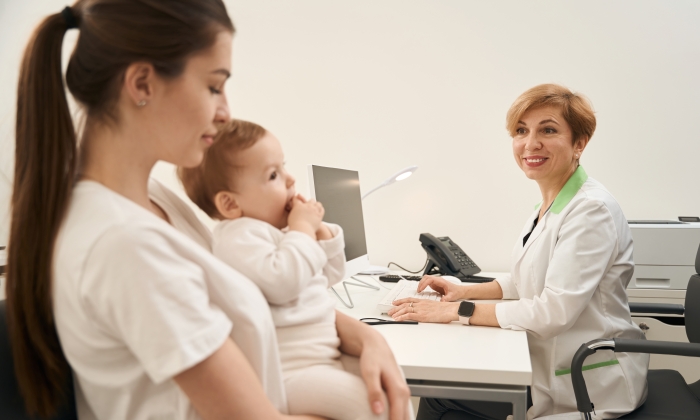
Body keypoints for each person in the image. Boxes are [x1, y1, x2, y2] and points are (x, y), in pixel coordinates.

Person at [5, 1, 410, 420]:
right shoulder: (126, 243)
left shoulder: (154, 200)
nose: (225, 112)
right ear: (142, 84)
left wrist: (367, 339)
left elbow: (260, 305)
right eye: (214, 86)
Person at [389, 84, 649, 419]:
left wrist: (456, 312)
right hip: (547, 363)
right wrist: (463, 290)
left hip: (587, 383)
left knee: (440, 396)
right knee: (444, 388)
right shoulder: (550, 204)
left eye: (548, 130)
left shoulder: (591, 210)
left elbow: (552, 311)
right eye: (521, 131)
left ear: (579, 143)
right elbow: (527, 280)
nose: (530, 143)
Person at [178, 118, 391, 420]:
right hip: (292, 374)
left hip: (322, 359)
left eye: (284, 167)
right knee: (374, 407)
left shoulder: (277, 234)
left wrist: (321, 232)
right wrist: (302, 228)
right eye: (274, 175)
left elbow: (328, 276)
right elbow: (283, 282)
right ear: (229, 204)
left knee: (390, 383)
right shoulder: (239, 236)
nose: (290, 179)